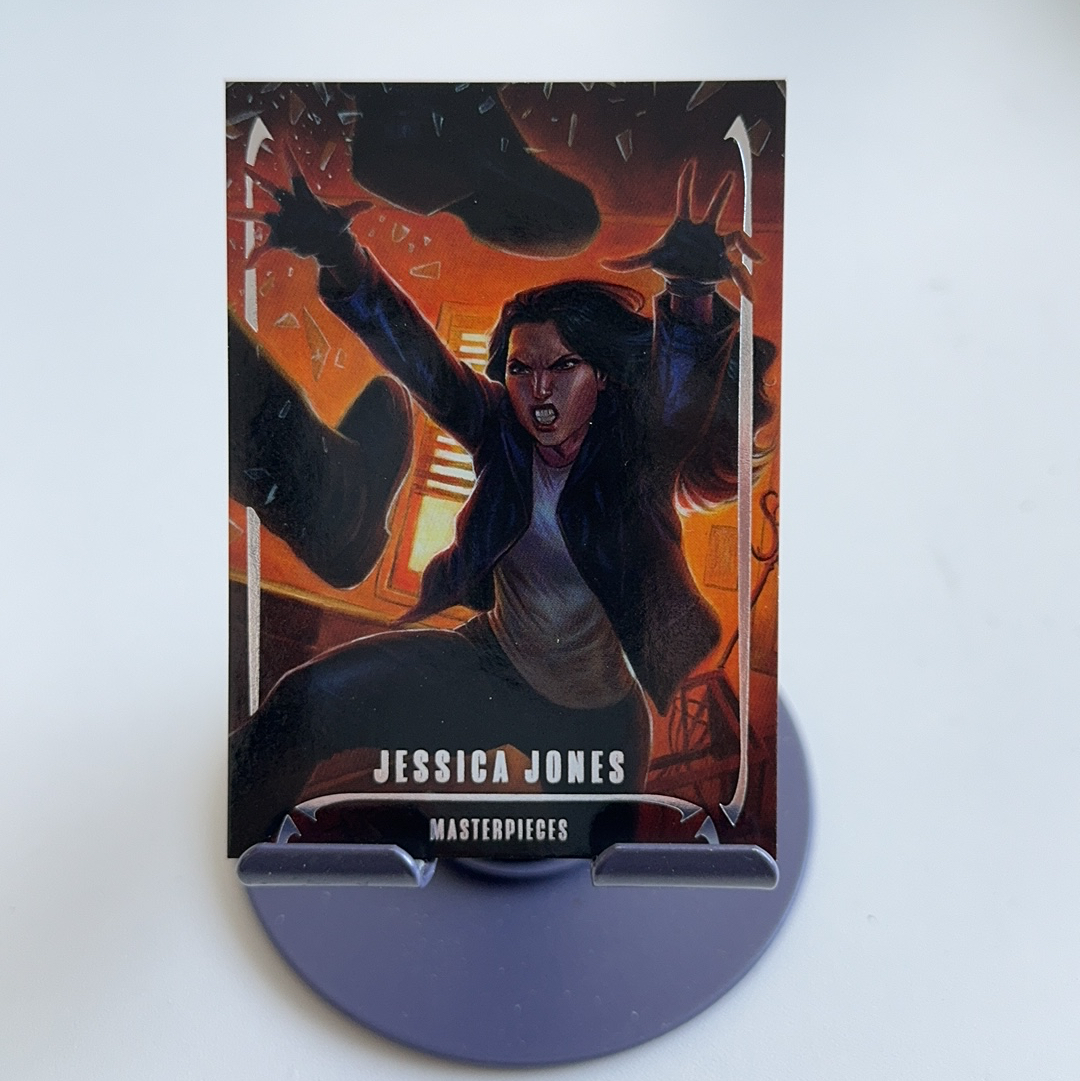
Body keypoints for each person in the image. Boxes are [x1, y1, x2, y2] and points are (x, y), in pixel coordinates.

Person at [228, 162, 775, 855]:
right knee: (301, 704)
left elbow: (675, 403)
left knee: (597, 862)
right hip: (490, 666)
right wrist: (340, 254)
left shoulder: (634, 460)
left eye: (562, 367)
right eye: (520, 368)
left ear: (602, 378)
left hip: (598, 721)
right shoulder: (500, 431)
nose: (537, 389)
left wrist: (692, 291)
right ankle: (232, 840)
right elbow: (424, 362)